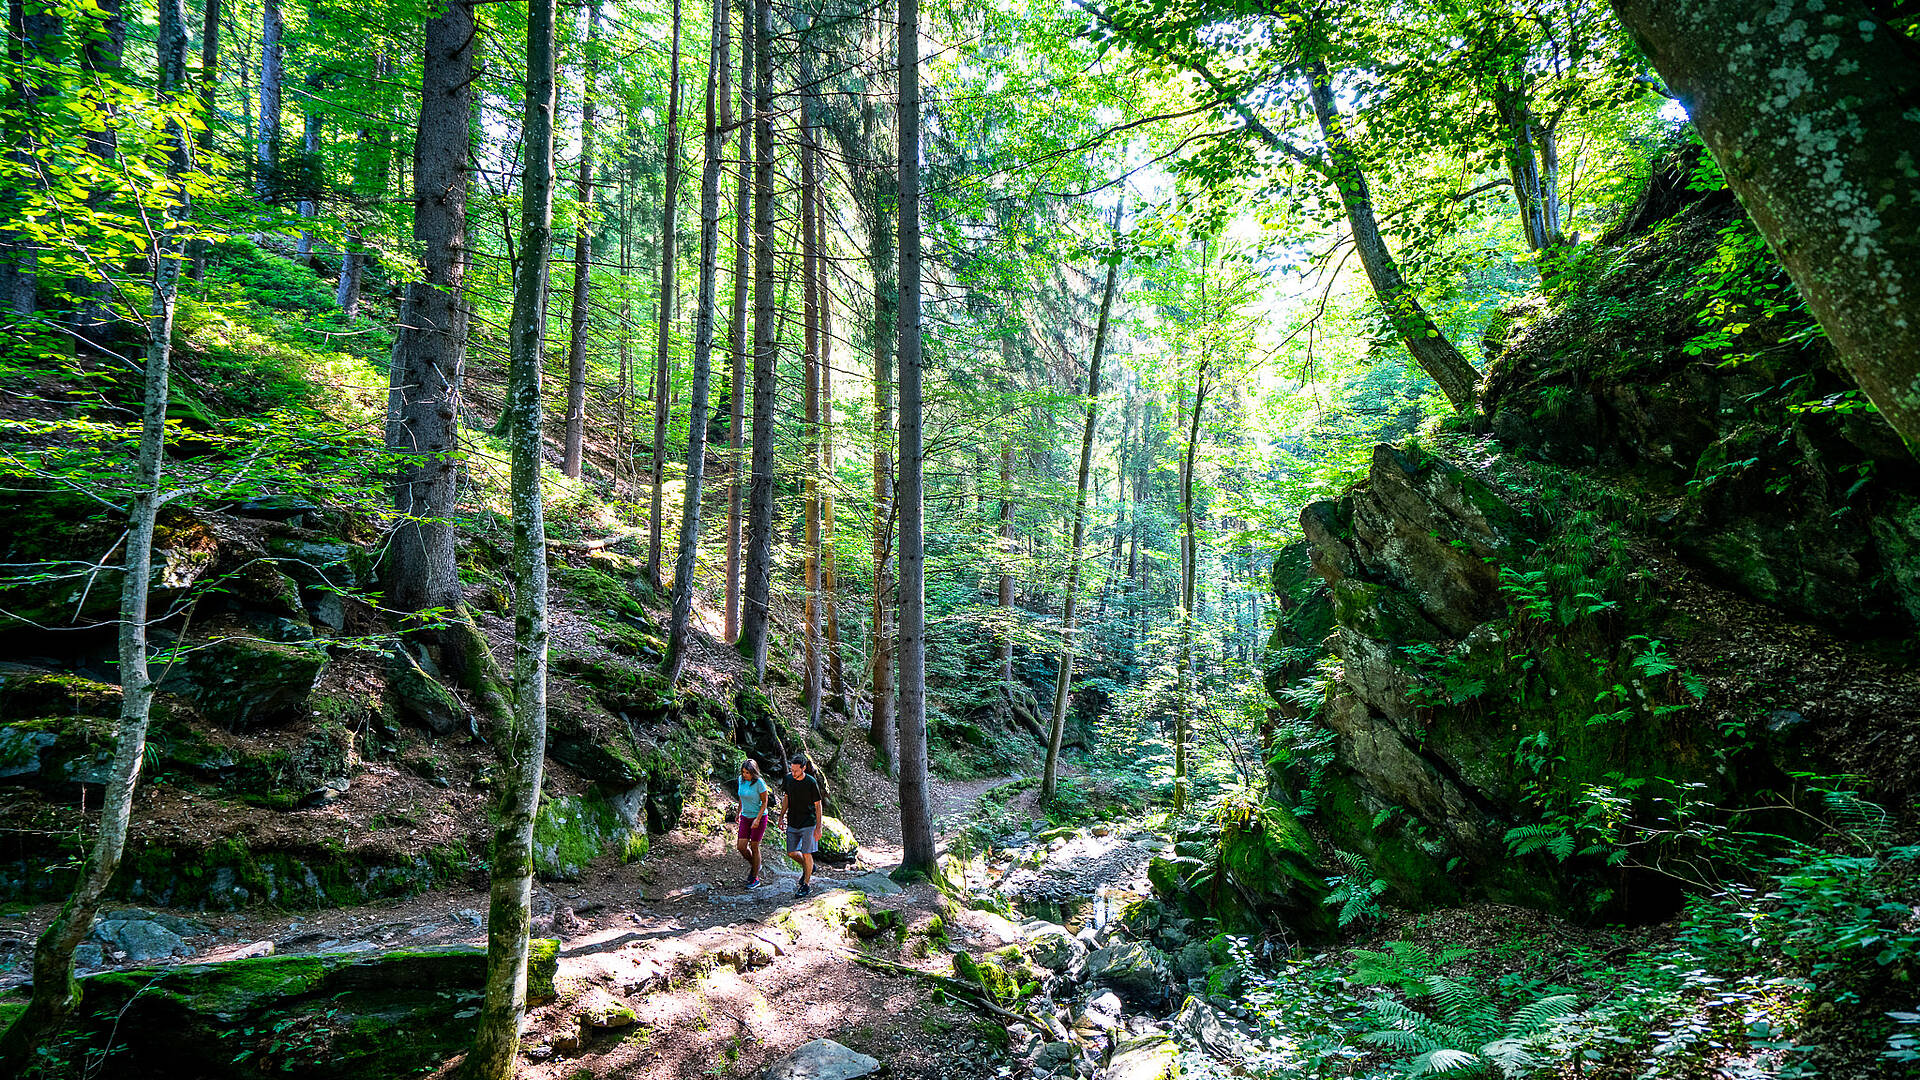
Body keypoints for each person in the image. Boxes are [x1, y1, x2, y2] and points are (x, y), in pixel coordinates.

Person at [778, 754, 823, 898]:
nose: (793, 773)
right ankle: (809, 867)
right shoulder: (789, 779)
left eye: (796, 770)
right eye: (792, 770)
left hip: (808, 822)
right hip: (793, 820)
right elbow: (786, 798)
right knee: (791, 852)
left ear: (803, 768)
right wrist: (781, 816)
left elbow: (818, 805)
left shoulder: (811, 782)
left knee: (806, 852)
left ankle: (806, 884)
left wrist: (818, 827)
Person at [733, 759, 770, 888]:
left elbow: (765, 802)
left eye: (747, 772)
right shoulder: (740, 780)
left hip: (759, 817)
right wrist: (738, 812)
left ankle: (754, 878)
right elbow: (741, 797)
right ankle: (756, 865)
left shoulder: (759, 783)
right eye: (743, 772)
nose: (745, 775)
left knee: (754, 846)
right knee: (741, 846)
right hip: (745, 816)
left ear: (753, 772)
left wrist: (758, 819)